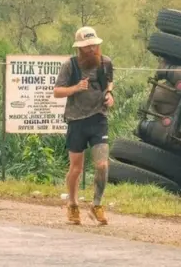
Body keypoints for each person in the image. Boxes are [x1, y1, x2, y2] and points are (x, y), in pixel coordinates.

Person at [53, 26, 115, 225]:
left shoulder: (106, 63)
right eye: (87, 47)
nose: (92, 50)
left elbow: (109, 83)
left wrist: (109, 95)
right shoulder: (70, 66)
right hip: (76, 121)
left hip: (98, 119)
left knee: (102, 164)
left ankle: (97, 205)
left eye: (94, 46)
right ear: (79, 48)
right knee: (76, 168)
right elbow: (57, 92)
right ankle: (72, 204)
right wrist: (75, 88)